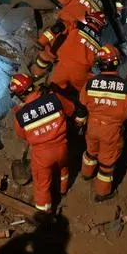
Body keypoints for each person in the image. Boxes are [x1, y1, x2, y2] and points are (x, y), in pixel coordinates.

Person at [9, 73, 85, 214]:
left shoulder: (20, 115)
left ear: (20, 95)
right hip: (62, 147)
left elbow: (22, 135)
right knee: (63, 168)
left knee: (41, 186)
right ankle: (62, 190)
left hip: (42, 155)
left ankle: (43, 215)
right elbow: (71, 109)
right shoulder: (54, 98)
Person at [79, 45, 127, 202]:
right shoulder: (126, 88)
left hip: (92, 127)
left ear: (99, 64)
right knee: (107, 162)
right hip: (112, 132)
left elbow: (82, 108)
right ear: (116, 63)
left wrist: (79, 123)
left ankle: (86, 174)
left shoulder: (90, 83)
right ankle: (102, 192)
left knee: (90, 152)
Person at [44, 11, 107, 100]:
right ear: (100, 26)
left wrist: (52, 53)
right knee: (79, 97)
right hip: (80, 73)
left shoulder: (77, 26)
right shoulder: (101, 44)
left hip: (63, 66)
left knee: (53, 90)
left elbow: (60, 33)